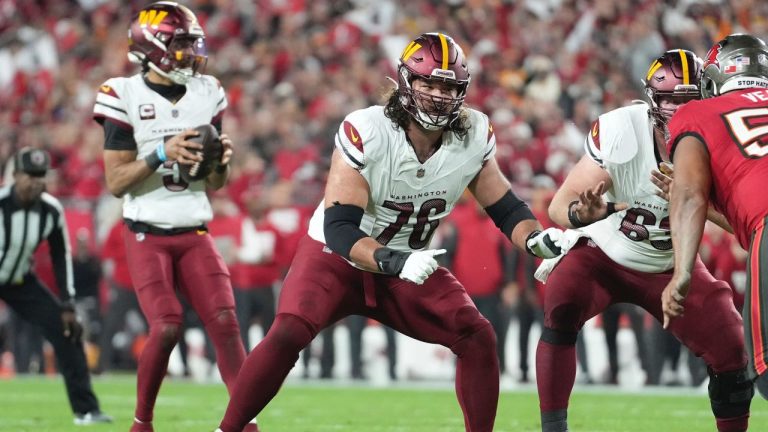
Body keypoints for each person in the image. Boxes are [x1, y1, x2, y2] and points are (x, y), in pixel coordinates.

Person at [216, 32, 563, 432]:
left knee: (477, 335)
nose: (437, 94)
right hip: (337, 258)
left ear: (462, 91)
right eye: (428, 83)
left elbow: (506, 208)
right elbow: (340, 227)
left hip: (405, 264)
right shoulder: (368, 129)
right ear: (405, 83)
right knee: (290, 329)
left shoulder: (472, 134)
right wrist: (393, 259)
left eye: (447, 86)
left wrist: (536, 239)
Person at [535, 49, 751, 432]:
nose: (680, 109)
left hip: (669, 264)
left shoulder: (721, 135)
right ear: (653, 99)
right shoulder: (621, 128)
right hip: (604, 253)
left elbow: (744, 224)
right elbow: (559, 207)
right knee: (562, 299)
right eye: (670, 99)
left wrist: (691, 199)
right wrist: (583, 215)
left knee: (732, 347)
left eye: (690, 100)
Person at [91, 2, 258, 431]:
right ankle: (142, 422)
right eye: (179, 42)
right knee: (165, 328)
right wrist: (163, 152)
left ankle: (244, 424)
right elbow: (116, 181)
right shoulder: (122, 93)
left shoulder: (208, 91)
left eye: (191, 42)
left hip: (195, 229)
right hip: (147, 231)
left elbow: (216, 182)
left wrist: (220, 161)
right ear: (151, 46)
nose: (189, 51)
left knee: (226, 323)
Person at [662, 33, 768, 401]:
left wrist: (683, 271)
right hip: (760, 225)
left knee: (766, 373)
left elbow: (689, 192)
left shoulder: (697, 112)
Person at [0, 147, 112, 425]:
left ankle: (86, 410)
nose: (36, 181)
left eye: (41, 175)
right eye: (30, 175)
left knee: (67, 332)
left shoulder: (50, 210)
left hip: (19, 281)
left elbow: (61, 257)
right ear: (15, 176)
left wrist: (67, 303)